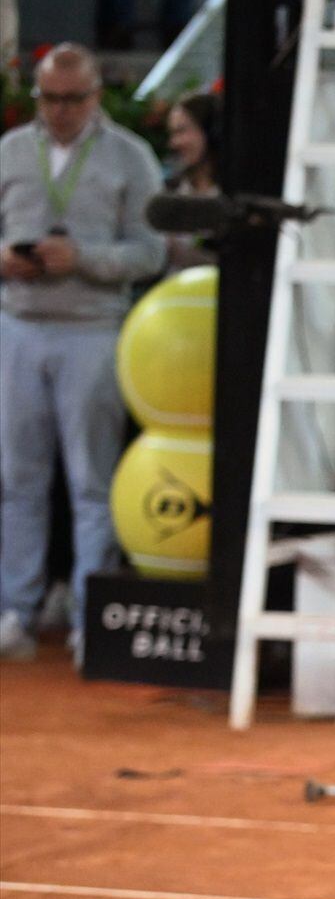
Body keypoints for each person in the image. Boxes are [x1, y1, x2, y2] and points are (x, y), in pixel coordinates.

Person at [0, 43, 165, 664]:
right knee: (17, 480)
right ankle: (15, 610)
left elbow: (150, 252)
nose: (61, 111)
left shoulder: (131, 157)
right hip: (18, 325)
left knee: (90, 481)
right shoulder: (11, 151)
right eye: (49, 99)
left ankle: (89, 618)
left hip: (93, 329)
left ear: (97, 96)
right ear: (35, 95)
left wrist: (86, 260)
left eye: (73, 100)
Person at [163, 90, 220, 271]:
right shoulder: (171, 189)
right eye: (172, 133)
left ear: (212, 130)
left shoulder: (237, 198)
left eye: (181, 131)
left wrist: (182, 253)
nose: (174, 143)